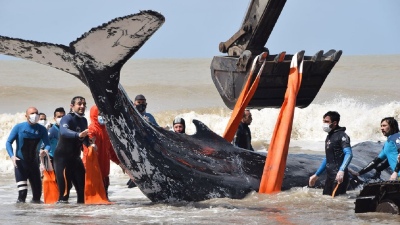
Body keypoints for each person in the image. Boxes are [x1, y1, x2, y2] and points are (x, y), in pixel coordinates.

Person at [5, 106, 51, 203]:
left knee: (37, 196)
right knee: (22, 194)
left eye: (36, 113)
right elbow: (8, 142)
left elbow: (47, 144)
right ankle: (20, 216)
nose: (35, 115)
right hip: (20, 164)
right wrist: (12, 156)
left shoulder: (42, 129)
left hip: (34, 164)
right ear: (26, 116)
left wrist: (45, 151)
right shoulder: (18, 127)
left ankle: (33, 217)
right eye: (32, 113)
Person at [53, 96, 90, 203]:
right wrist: (78, 134)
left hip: (76, 159)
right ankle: (61, 219)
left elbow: (84, 139)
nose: (82, 106)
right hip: (62, 160)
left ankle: (78, 219)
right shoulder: (67, 118)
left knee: (82, 193)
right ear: (72, 106)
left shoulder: (83, 120)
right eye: (79, 104)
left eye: (84, 104)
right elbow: (64, 132)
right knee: (64, 195)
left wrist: (90, 143)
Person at [309, 111, 353, 196]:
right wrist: (316, 175)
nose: (324, 124)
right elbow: (328, 158)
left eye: (326, 121)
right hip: (330, 177)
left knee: (336, 204)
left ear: (335, 123)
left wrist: (341, 170)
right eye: (323, 121)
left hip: (339, 177)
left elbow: (349, 154)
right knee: (326, 202)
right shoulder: (329, 136)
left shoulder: (342, 136)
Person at [85, 105, 122, 197]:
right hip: (94, 171)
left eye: (104, 114)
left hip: (104, 171)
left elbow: (110, 151)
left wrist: (120, 163)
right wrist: (91, 146)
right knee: (94, 199)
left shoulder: (106, 130)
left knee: (105, 198)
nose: (103, 116)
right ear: (94, 115)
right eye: (100, 114)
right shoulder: (91, 130)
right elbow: (87, 148)